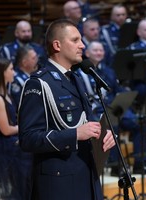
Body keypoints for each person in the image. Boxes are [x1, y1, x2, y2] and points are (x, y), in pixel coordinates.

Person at [18, 19, 115, 200]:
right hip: (58, 182)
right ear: (57, 45)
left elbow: (88, 122)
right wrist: (74, 134)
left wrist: (105, 134)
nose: (82, 45)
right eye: (76, 40)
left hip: (86, 172)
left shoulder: (75, 78)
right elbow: (28, 139)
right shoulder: (39, 83)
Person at [77, 41, 146, 176]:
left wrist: (125, 96)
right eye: (95, 50)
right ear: (87, 53)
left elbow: (117, 90)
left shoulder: (109, 71)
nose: (99, 53)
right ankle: (116, 166)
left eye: (101, 50)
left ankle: (140, 163)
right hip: (95, 111)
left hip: (113, 107)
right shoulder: (80, 74)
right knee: (111, 126)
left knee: (140, 121)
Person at [0, 58, 32, 200]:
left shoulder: (6, 93)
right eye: (11, 69)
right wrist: (25, 127)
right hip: (6, 147)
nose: (14, 72)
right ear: (1, 73)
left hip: (12, 142)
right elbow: (5, 130)